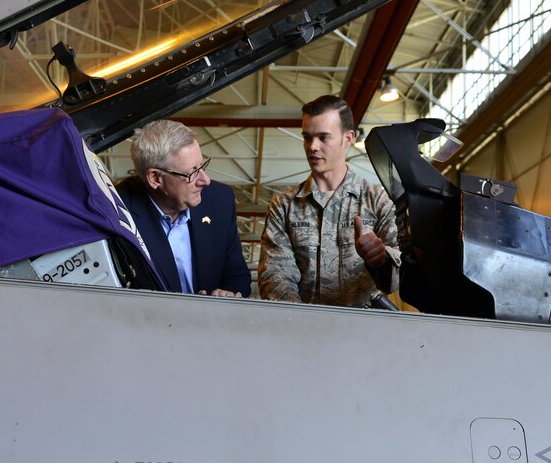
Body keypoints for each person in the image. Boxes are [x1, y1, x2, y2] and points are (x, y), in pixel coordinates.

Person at [258, 95, 399, 306]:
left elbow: (399, 278)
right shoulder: (284, 206)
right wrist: (303, 319)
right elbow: (275, 274)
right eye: (307, 138)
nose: (312, 147)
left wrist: (380, 259)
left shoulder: (377, 201)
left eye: (323, 138)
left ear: (348, 139)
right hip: (302, 323)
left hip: (363, 324)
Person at [115, 120, 251, 297]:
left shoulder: (219, 199)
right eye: (192, 172)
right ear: (155, 178)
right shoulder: (117, 216)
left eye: (202, 165)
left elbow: (238, 275)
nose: (205, 180)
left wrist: (228, 294)